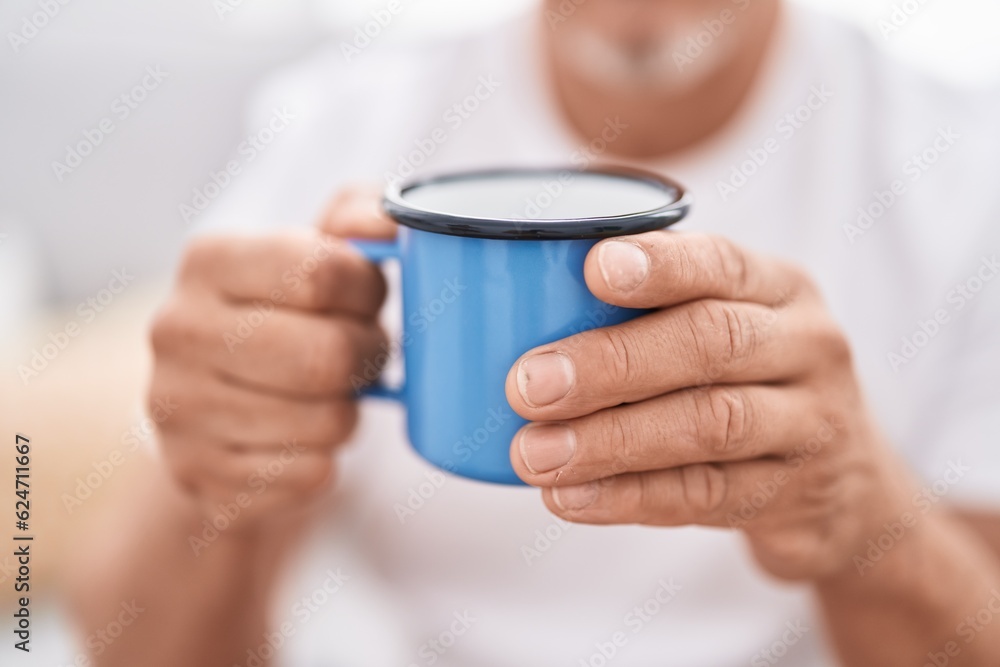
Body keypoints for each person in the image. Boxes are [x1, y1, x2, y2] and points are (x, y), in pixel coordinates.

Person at [69, 0, 1000, 665]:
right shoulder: (343, 117)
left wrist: (866, 520)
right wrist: (218, 489)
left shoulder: (963, 166)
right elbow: (122, 645)